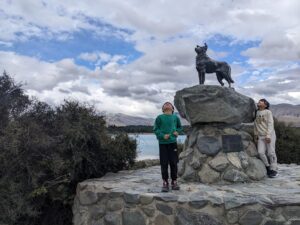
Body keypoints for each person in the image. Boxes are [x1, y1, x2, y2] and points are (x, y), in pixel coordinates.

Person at [153, 102, 183, 192]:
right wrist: (162, 136)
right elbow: (155, 129)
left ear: (172, 109)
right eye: (165, 104)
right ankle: (165, 182)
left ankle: (174, 181)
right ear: (163, 109)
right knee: (164, 163)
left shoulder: (175, 117)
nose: (167, 104)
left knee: (174, 163)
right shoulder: (159, 118)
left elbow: (180, 127)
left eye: (169, 104)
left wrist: (177, 132)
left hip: (172, 142)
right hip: (162, 143)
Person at [254, 99, 278, 178]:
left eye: (261, 101)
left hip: (269, 135)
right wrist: (256, 134)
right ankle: (267, 167)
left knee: (271, 153)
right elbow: (256, 124)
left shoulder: (268, 112)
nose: (259, 102)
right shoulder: (256, 112)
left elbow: (270, 123)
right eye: (259, 101)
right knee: (260, 152)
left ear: (265, 105)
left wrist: (268, 135)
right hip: (260, 136)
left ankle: (273, 169)